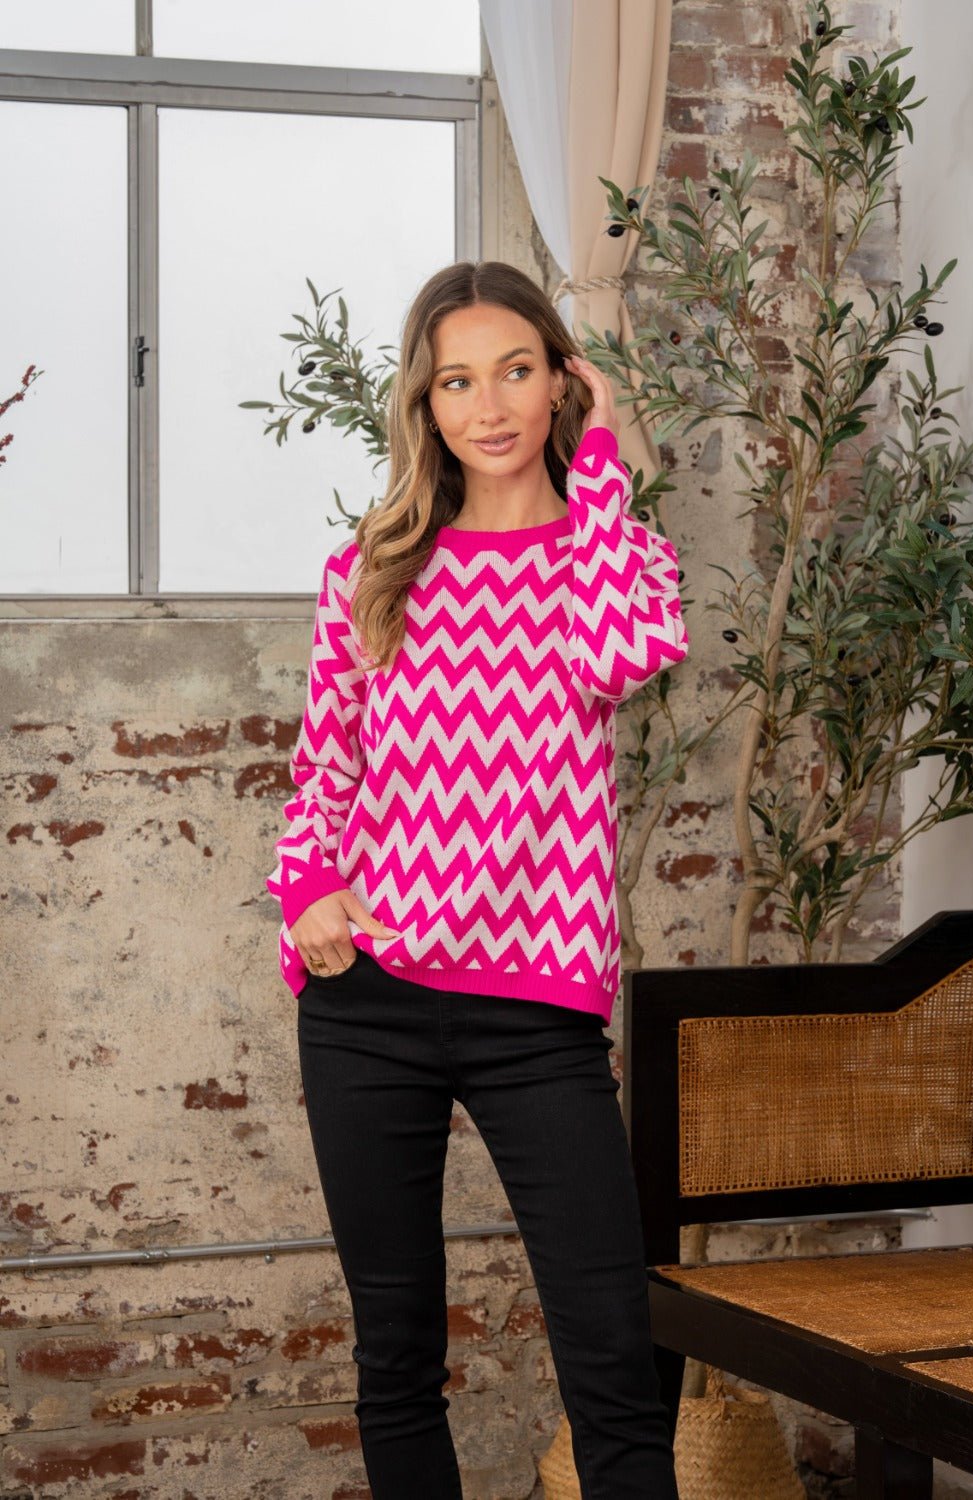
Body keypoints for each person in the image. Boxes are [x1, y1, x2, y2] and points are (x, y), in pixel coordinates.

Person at [266, 259, 689, 1499]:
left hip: (536, 1017)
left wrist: (602, 461)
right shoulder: (375, 568)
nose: (488, 407)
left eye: (515, 371)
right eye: (456, 381)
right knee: (396, 1361)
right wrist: (308, 893)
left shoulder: (614, 560)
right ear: (426, 401)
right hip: (368, 1006)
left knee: (613, 1364)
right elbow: (324, 766)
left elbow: (620, 657)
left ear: (562, 381)